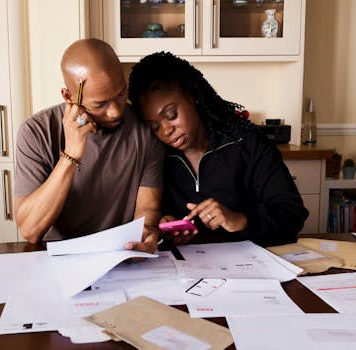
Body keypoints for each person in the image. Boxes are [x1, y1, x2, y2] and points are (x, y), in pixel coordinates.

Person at [128, 51, 308, 247]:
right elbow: (152, 215)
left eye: (171, 114)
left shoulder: (247, 143)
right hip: (185, 268)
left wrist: (240, 220)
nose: (166, 130)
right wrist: (166, 226)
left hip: (251, 264)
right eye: (153, 126)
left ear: (193, 97)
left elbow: (292, 215)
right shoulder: (157, 155)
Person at [13, 39, 164, 253]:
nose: (115, 111)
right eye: (100, 104)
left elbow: (148, 207)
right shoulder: (36, 132)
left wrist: (147, 232)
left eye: (121, 94)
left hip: (121, 254)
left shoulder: (145, 128)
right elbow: (31, 230)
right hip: (56, 257)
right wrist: (71, 155)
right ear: (69, 96)